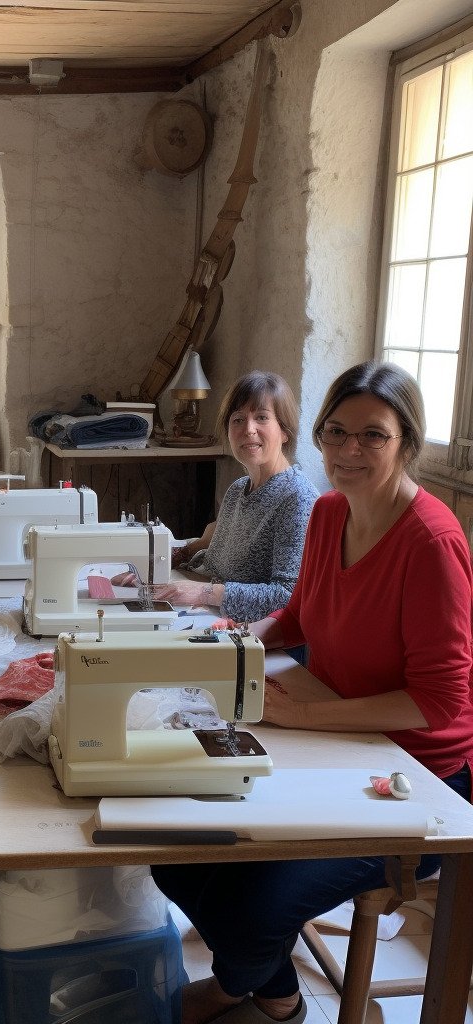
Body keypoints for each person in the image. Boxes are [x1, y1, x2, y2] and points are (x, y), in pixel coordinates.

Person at [151, 361, 473, 1024]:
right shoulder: (329, 514)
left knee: (248, 908)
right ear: (318, 436)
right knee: (172, 854)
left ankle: (242, 984)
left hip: (418, 775)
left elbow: (440, 701)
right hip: (340, 738)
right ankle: (273, 992)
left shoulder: (432, 543)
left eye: (373, 437)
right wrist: (233, 654)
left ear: (408, 443)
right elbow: (297, 616)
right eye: (336, 433)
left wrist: (312, 716)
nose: (349, 452)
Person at [123, 372, 318, 621]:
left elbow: (288, 596)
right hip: (216, 619)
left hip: (265, 641)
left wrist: (204, 593)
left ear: (285, 431)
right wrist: (153, 569)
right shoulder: (238, 490)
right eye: (238, 419)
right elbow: (215, 564)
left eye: (261, 417)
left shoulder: (297, 498)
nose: (248, 429)